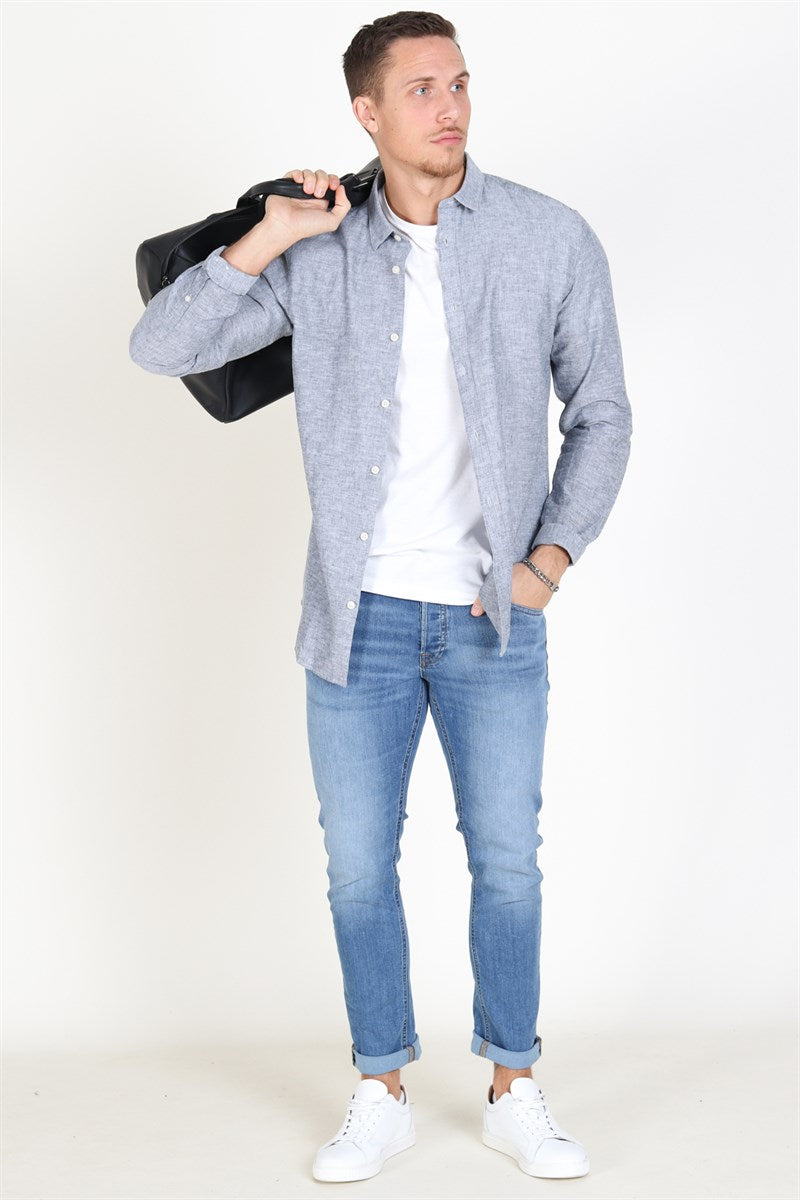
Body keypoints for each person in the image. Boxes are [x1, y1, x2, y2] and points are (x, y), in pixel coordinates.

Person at [129, 10, 632, 1185]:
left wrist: (547, 561)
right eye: (419, 90)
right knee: (358, 868)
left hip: (490, 620)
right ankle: (379, 1089)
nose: (448, 107)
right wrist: (270, 231)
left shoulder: (546, 237)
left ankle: (513, 1086)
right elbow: (162, 347)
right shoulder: (319, 250)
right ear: (366, 112)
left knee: (506, 862)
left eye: (457, 83)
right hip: (353, 623)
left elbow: (602, 410)